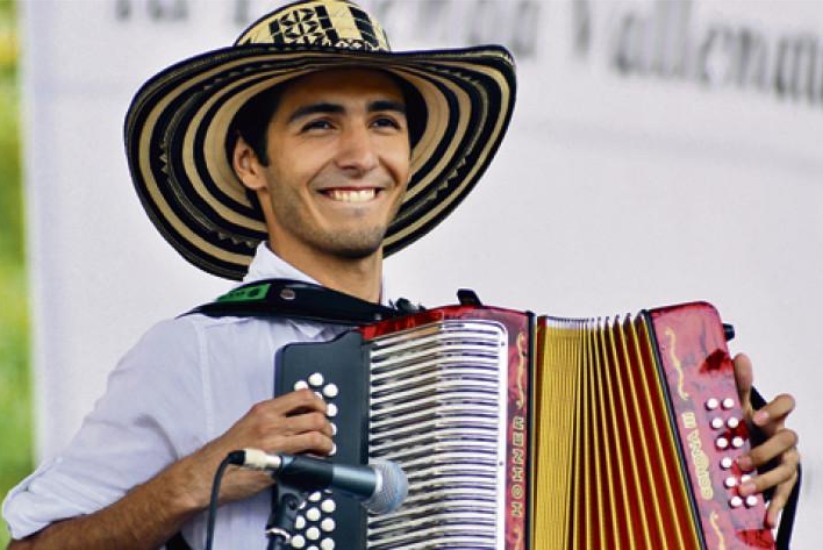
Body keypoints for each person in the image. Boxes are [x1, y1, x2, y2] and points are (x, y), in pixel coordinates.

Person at [2, 1, 799, 549]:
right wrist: (189, 482)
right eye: (319, 124)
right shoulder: (190, 357)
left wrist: (741, 491)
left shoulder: (470, 359)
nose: (359, 153)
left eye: (382, 121)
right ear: (252, 163)